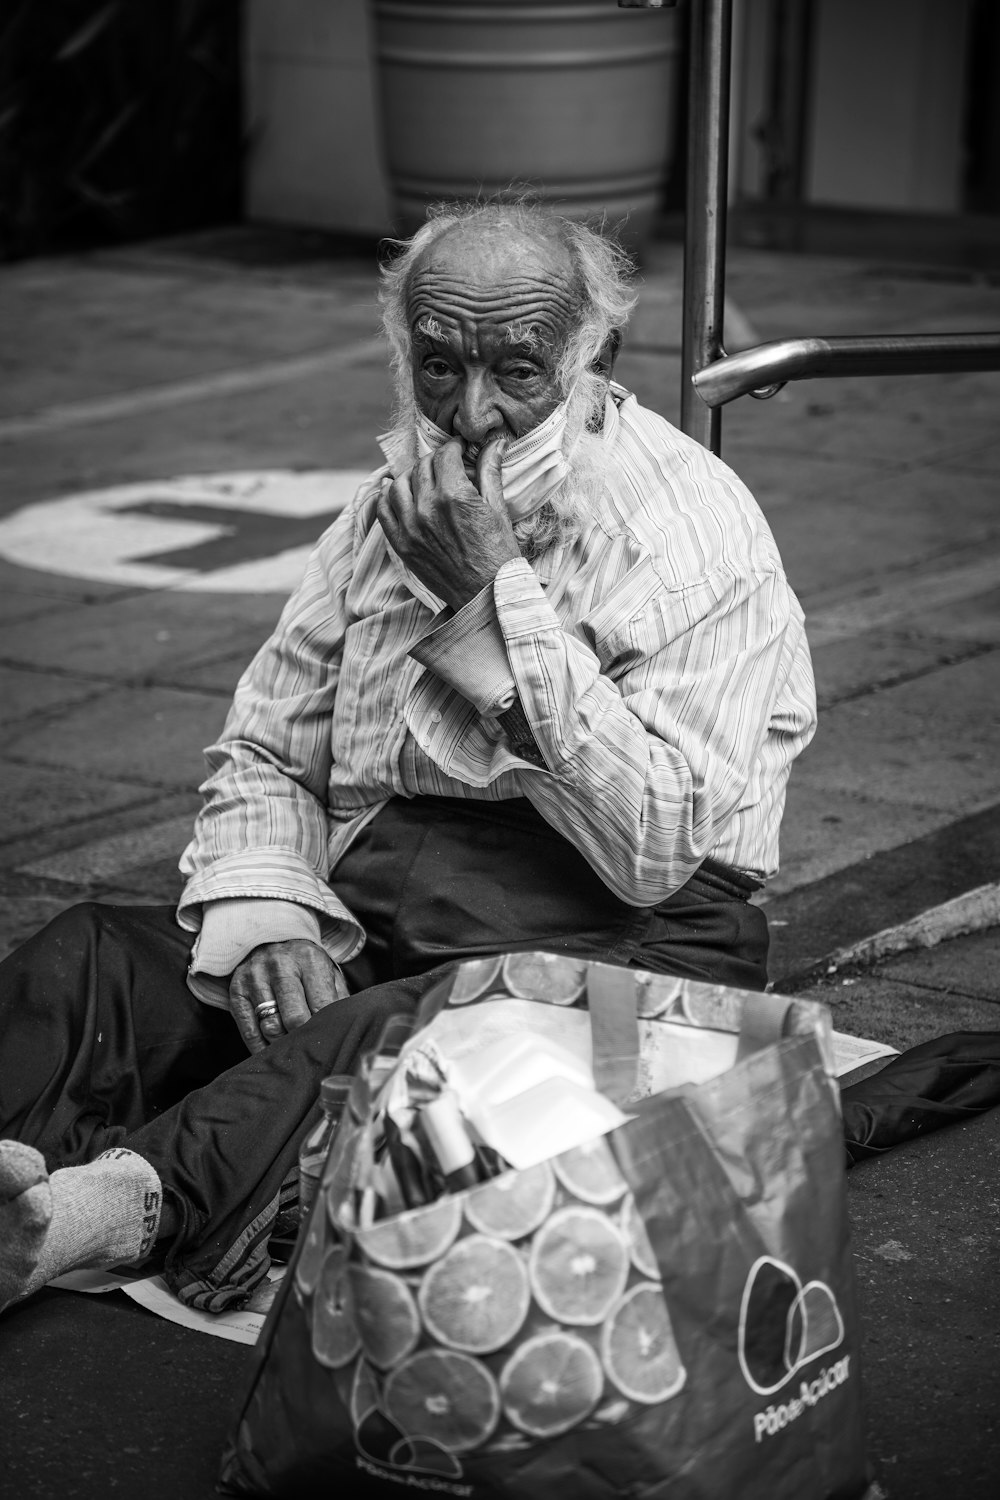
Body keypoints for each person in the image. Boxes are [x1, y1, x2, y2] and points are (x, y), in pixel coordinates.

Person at [0, 201, 816, 1315]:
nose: (469, 413)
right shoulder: (383, 505)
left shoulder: (684, 532)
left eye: (516, 372)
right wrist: (276, 917)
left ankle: (81, 1219)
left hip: (624, 944)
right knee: (88, 959)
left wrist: (494, 604)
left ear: (594, 361)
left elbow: (658, 848)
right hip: (388, 915)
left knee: (398, 1030)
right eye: (437, 366)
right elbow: (265, 745)